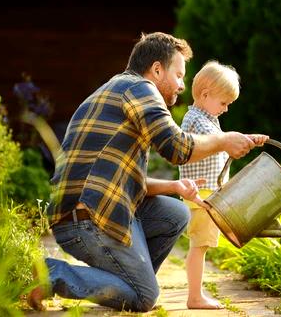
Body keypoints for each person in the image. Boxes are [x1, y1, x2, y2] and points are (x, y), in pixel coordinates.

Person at [28, 32, 266, 312]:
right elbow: (176, 147)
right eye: (178, 75)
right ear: (156, 69)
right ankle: (52, 273)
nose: (181, 85)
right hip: (86, 219)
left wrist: (174, 187)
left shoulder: (118, 89)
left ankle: (128, 284)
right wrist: (224, 141)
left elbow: (124, 180)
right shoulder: (141, 89)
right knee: (144, 298)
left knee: (176, 213)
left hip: (96, 209)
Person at [178, 61, 268, 309]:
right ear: (205, 95)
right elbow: (218, 142)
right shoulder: (196, 121)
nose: (226, 109)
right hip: (203, 195)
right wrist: (239, 140)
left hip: (209, 194)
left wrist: (247, 140)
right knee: (200, 245)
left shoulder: (204, 118)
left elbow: (225, 143)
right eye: (224, 103)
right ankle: (195, 297)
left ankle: (196, 293)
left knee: (202, 244)